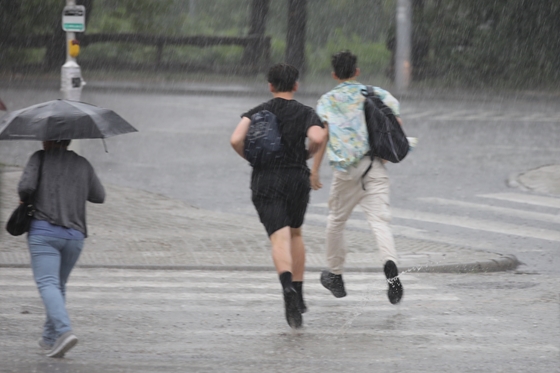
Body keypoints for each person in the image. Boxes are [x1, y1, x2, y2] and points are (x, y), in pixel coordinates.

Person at [230, 63, 326, 328]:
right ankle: (299, 289)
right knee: (295, 232)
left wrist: (252, 158)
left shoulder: (257, 111)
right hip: (297, 178)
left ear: (270, 86)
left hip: (266, 178)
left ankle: (286, 287)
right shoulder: (306, 112)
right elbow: (318, 138)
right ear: (295, 86)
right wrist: (305, 154)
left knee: (278, 237)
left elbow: (235, 140)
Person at [311, 51, 404, 304]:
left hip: (345, 171)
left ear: (334, 75)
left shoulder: (328, 100)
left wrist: (315, 170)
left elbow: (323, 136)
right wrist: (383, 156)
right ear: (357, 71)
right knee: (380, 222)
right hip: (373, 165)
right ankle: (391, 270)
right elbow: (395, 121)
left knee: (336, 220)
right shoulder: (375, 93)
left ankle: (335, 274)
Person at [18, 140, 105, 358]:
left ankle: (65, 332)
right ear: (68, 141)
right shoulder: (83, 163)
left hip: (44, 232)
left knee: (48, 283)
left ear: (47, 140)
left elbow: (25, 187)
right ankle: (50, 339)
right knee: (58, 285)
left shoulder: (40, 158)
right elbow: (99, 195)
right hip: (75, 236)